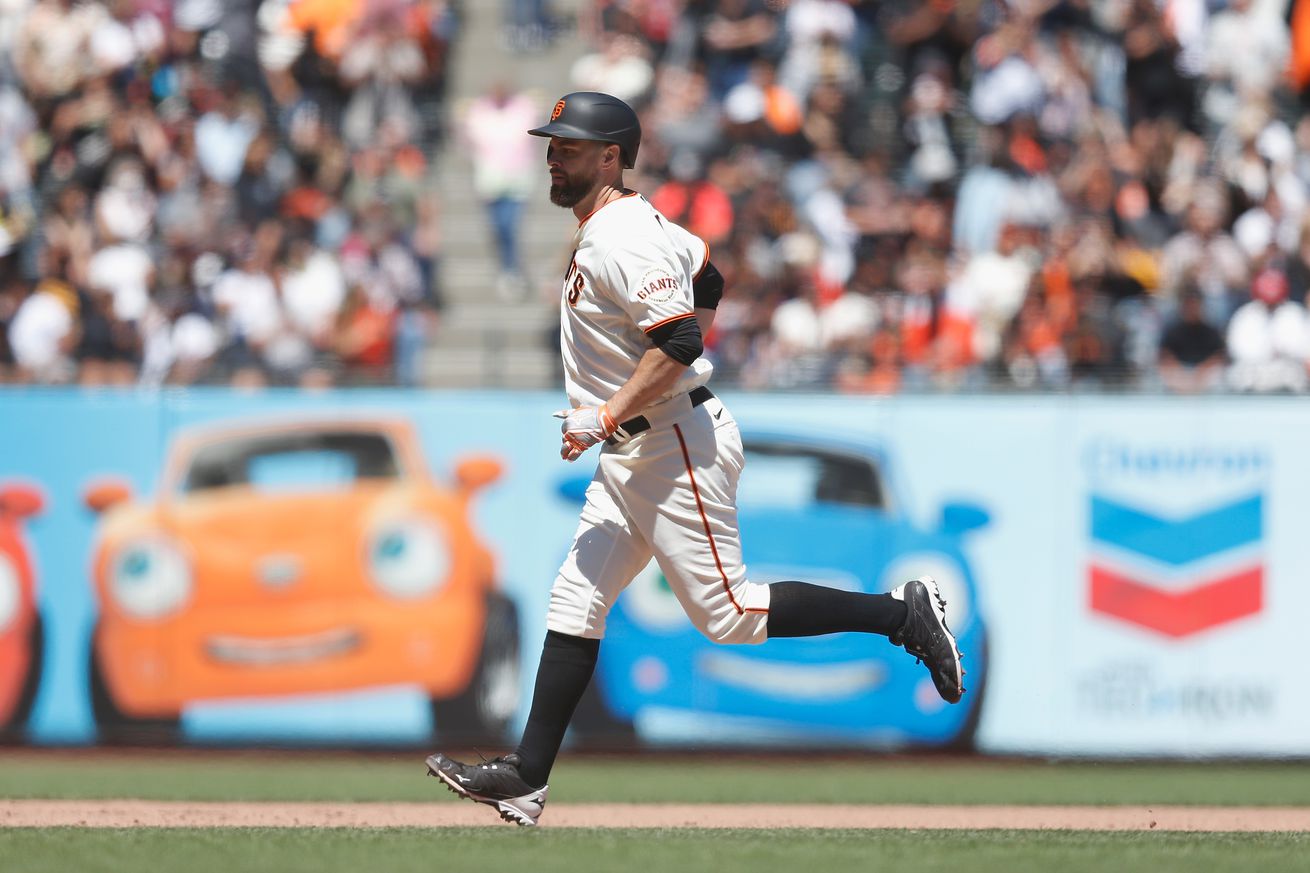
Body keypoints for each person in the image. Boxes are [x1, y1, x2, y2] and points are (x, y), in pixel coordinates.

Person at [424, 92, 966, 827]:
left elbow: (681, 341)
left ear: (611, 156)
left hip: (671, 441)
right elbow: (707, 277)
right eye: (552, 144)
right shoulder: (628, 227)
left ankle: (903, 614)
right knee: (573, 597)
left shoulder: (623, 238)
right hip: (638, 448)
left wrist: (609, 412)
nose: (555, 155)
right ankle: (526, 776)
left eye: (571, 145)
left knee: (730, 614)